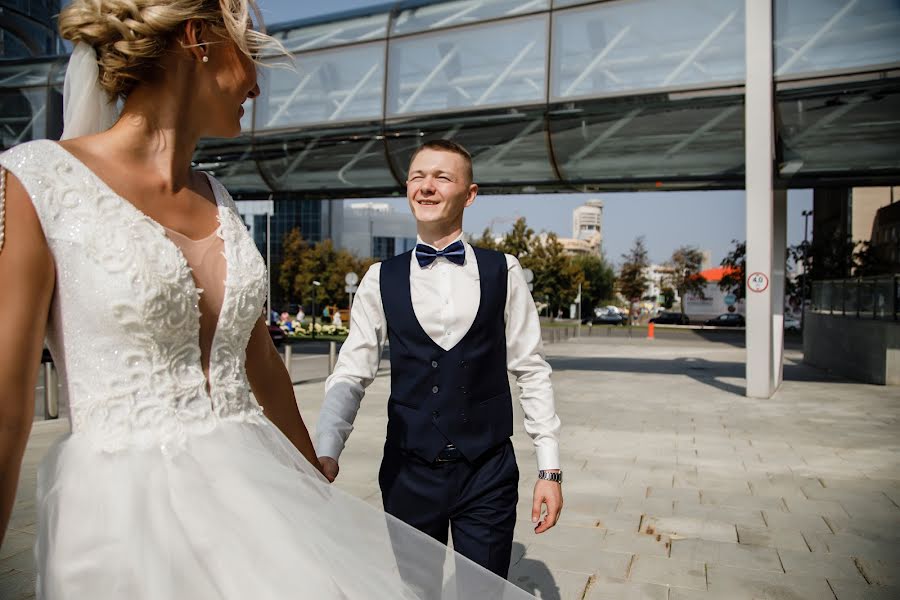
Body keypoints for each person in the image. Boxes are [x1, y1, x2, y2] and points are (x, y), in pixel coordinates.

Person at [0, 2, 532, 598]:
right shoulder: (37, 180)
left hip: (263, 505)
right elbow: (7, 409)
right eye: (252, 51)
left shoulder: (219, 198)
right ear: (199, 40)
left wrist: (315, 477)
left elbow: (262, 365)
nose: (257, 81)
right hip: (123, 525)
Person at [316, 140, 564, 582]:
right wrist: (326, 450)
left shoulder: (503, 271)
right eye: (417, 176)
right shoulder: (379, 278)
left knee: (484, 593)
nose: (426, 187)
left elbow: (531, 369)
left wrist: (550, 469)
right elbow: (352, 371)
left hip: (487, 473)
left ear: (469, 194)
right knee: (416, 592)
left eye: (442, 177)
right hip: (407, 473)